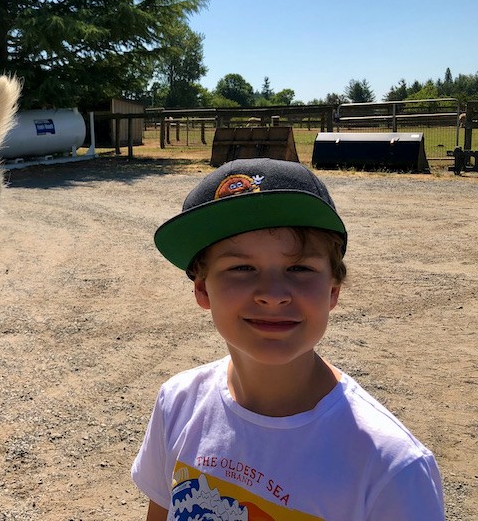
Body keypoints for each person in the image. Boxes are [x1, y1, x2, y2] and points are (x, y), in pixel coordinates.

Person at [131, 158, 444, 521]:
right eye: (241, 268)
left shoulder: (390, 466)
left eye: (299, 268)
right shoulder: (178, 403)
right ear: (202, 289)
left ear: (333, 291)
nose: (273, 294)